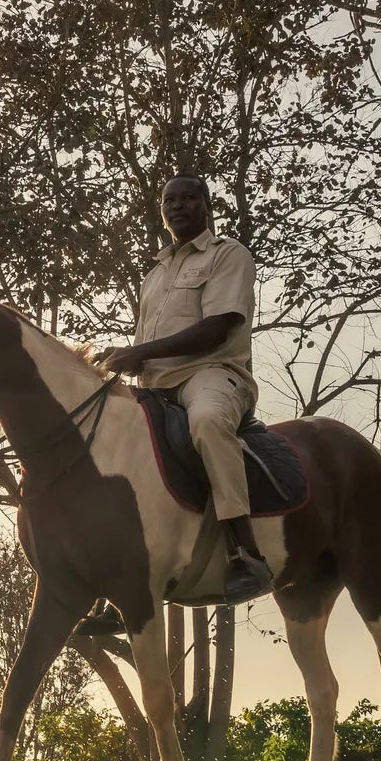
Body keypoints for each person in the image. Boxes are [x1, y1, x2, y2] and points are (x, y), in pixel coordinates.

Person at [96, 174, 272, 607]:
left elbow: (218, 328)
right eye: (168, 199)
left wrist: (139, 352)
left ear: (207, 205)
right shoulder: (154, 274)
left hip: (210, 375)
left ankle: (246, 554)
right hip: (154, 386)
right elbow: (147, 344)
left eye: (188, 197)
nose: (177, 206)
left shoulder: (228, 255)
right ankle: (116, 575)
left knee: (209, 423)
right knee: (101, 434)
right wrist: (122, 357)